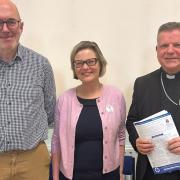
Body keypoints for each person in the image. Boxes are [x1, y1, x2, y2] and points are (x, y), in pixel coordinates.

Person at [51, 41, 126, 180]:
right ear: (74, 68)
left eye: (91, 61)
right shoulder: (64, 100)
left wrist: (120, 172)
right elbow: (56, 141)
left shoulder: (116, 96)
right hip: (71, 176)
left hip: (109, 175)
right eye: (79, 63)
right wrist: (55, 177)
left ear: (100, 63)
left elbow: (121, 136)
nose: (85, 67)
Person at [0, 0, 56, 180]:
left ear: (21, 26)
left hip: (33, 160)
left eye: (11, 22)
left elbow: (50, 111)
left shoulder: (41, 65)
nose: (5, 29)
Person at [126, 22, 180, 180]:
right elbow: (132, 121)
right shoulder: (143, 83)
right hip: (150, 173)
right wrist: (137, 141)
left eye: (177, 44)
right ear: (157, 50)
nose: (170, 51)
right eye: (164, 46)